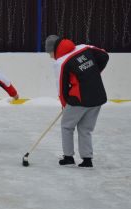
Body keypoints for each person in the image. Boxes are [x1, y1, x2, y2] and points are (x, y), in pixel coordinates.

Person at [45, 35, 109, 167]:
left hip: (79, 99)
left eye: (50, 53)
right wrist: (93, 75)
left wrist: (64, 105)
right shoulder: (84, 47)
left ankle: (68, 157)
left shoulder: (61, 62)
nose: (50, 56)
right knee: (85, 129)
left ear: (54, 50)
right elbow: (104, 56)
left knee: (67, 126)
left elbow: (62, 89)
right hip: (98, 96)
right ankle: (87, 160)